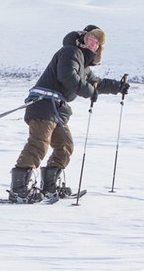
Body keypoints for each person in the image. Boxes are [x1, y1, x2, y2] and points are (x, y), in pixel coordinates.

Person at [8, 25, 130, 203]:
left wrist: (118, 87)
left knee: (65, 145)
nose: (93, 45)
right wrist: (90, 91)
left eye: (97, 44)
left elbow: (96, 83)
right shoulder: (71, 52)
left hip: (56, 109)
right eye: (91, 40)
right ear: (82, 38)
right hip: (43, 105)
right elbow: (69, 78)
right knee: (38, 145)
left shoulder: (83, 64)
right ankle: (18, 190)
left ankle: (50, 187)